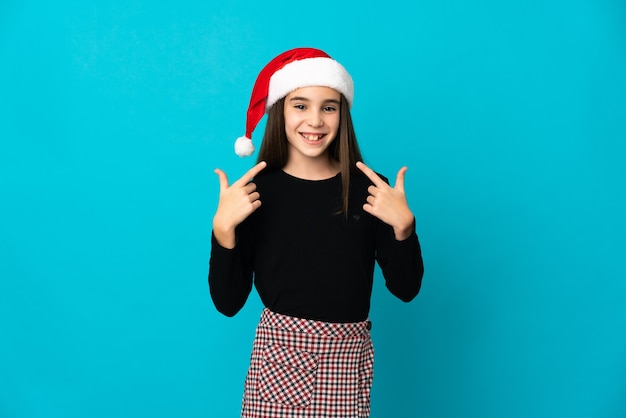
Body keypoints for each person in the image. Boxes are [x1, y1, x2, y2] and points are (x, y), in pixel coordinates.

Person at [208, 47, 424, 418]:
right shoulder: (254, 192)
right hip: (277, 370)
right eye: (300, 105)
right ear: (280, 110)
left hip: (346, 365)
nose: (315, 120)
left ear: (342, 115)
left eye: (329, 107)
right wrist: (223, 232)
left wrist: (404, 229)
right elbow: (228, 304)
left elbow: (406, 290)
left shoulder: (371, 190)